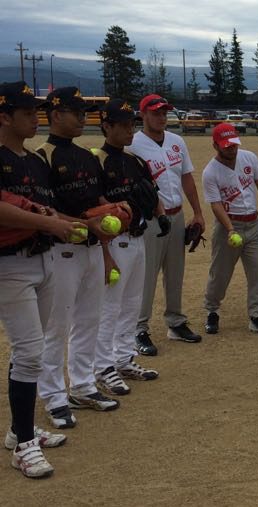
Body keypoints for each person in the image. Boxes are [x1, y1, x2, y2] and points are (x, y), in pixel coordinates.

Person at [0, 81, 77, 478]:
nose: (36, 119)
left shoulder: (33, 160)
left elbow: (45, 210)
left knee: (30, 350)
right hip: (9, 264)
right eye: (27, 113)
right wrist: (50, 224)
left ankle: (20, 430)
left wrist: (82, 224)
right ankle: (24, 448)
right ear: (4, 116)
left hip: (41, 258)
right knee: (30, 351)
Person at [36, 87, 121, 427]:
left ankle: (83, 385)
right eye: (76, 112)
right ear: (56, 115)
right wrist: (88, 224)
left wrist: (112, 212)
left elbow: (98, 201)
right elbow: (45, 211)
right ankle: (54, 396)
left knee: (89, 319)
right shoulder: (42, 157)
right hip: (62, 251)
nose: (83, 117)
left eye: (84, 112)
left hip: (92, 248)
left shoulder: (88, 156)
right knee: (56, 327)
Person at [92, 99, 168, 397]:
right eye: (123, 125)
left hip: (138, 238)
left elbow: (153, 191)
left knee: (132, 302)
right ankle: (103, 367)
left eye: (131, 124)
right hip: (113, 240)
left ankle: (123, 358)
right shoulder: (97, 160)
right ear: (106, 126)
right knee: (110, 306)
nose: (129, 130)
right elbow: (94, 201)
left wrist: (161, 215)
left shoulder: (135, 160)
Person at [129, 94, 205, 355]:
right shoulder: (133, 145)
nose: (161, 117)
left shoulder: (176, 141)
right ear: (143, 115)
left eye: (164, 112)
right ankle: (138, 328)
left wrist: (198, 212)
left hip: (177, 214)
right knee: (146, 275)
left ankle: (175, 322)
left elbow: (186, 178)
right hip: (150, 219)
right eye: (155, 113)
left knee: (175, 272)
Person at [201, 123, 258, 335]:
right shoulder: (210, 172)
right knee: (220, 274)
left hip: (253, 224)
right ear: (215, 145)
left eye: (234, 143)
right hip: (229, 226)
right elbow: (216, 205)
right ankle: (212, 310)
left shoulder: (249, 158)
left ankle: (257, 316)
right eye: (226, 145)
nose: (232, 148)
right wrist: (230, 229)